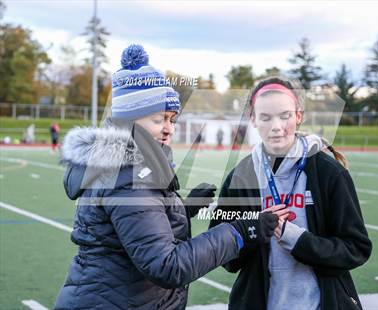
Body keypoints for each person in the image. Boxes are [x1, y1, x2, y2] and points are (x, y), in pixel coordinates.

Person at [54, 44, 280, 310]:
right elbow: (168, 266)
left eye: (172, 119)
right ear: (131, 118)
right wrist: (240, 231)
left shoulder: (125, 164)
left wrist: (183, 209)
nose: (169, 129)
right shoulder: (128, 174)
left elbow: (133, 230)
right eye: (160, 119)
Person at [210, 76, 372, 310]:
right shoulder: (241, 176)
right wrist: (252, 230)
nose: (276, 127)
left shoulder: (329, 173)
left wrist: (298, 240)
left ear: (298, 116)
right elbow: (224, 256)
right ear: (253, 119)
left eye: (284, 116)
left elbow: (356, 248)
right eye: (265, 117)